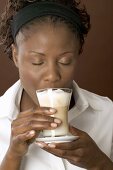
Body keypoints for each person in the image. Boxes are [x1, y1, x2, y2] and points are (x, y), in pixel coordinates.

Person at [0, 0, 113, 170]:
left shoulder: (107, 114)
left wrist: (100, 163)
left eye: (65, 61)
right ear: (16, 56)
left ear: (78, 54)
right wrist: (13, 156)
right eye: (38, 62)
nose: (52, 76)